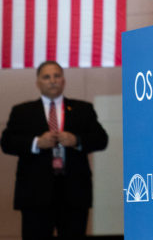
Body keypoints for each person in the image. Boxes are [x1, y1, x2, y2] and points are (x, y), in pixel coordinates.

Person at [1, 61, 109, 239]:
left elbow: (101, 140)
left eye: (57, 76)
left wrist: (76, 140)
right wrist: (36, 143)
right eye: (46, 77)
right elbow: (7, 143)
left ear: (63, 81)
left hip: (74, 194)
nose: (52, 81)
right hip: (35, 195)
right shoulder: (22, 111)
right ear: (38, 83)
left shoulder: (83, 109)